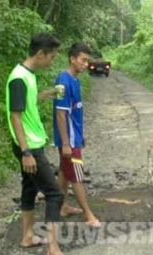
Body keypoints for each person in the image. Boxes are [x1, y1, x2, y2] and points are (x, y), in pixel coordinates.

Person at [6, 33, 81, 255]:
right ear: (40, 54)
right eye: (52, 56)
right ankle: (53, 252)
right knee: (54, 194)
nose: (52, 61)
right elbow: (15, 116)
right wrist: (26, 151)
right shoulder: (19, 78)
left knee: (29, 187)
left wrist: (47, 94)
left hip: (30, 143)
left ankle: (27, 237)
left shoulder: (28, 74)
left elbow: (26, 102)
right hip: (29, 146)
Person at [52, 43, 101, 228]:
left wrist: (80, 137)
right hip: (68, 140)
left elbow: (74, 112)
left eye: (88, 61)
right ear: (72, 58)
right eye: (83, 60)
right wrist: (66, 143)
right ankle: (88, 214)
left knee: (65, 172)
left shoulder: (75, 79)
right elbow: (60, 114)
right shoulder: (62, 81)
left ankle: (62, 206)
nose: (85, 64)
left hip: (74, 138)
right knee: (77, 175)